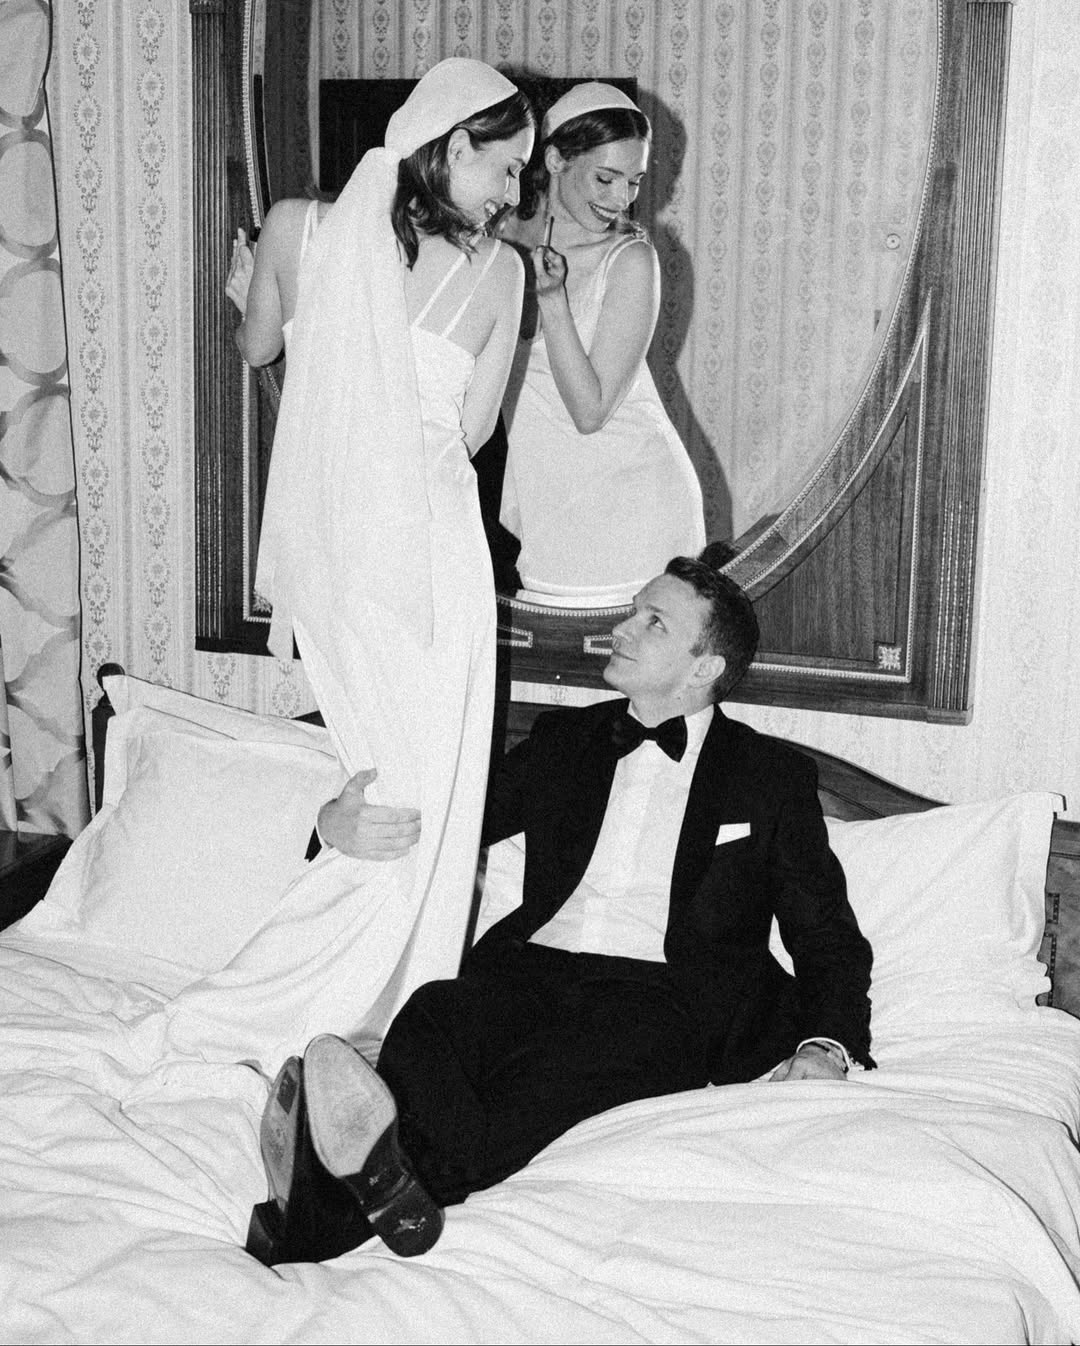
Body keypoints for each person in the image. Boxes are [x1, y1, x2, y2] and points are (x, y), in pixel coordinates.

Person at [245, 554, 874, 1265]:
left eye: (654, 623)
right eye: (633, 611)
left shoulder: (771, 777)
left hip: (662, 998)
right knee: (432, 1015)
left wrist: (828, 1044)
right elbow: (446, 819)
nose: (622, 629)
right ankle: (369, 1197)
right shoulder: (564, 743)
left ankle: (314, 1216)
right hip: (529, 971)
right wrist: (333, 824)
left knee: (536, 1087)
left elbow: (826, 936)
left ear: (704, 668)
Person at [138, 62, 535, 1071]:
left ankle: (347, 1030)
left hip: (336, 549)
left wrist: (254, 300)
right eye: (505, 167)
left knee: (386, 798)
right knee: (422, 808)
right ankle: (350, 1026)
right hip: (431, 557)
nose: (514, 193)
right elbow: (472, 431)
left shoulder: (295, 227)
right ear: (453, 146)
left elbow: (259, 348)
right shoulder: (499, 274)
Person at [492, 82, 706, 604]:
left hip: (634, 507)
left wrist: (553, 300)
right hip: (550, 506)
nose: (620, 199)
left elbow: (590, 412)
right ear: (555, 160)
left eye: (634, 182)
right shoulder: (497, 241)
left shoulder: (631, 261)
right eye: (605, 178)